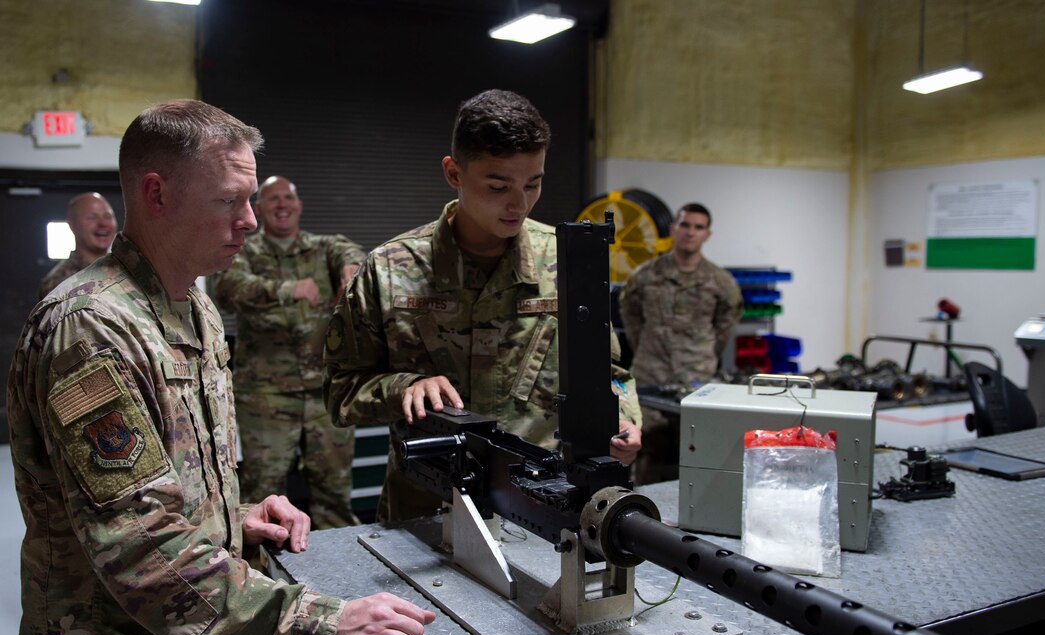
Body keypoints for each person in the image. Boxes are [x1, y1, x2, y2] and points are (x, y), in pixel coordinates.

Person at [7, 99, 434, 635]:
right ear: (157, 194)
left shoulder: (194, 309)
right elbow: (135, 542)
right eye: (229, 200)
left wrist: (228, 517)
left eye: (251, 199)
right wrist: (315, 627)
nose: (250, 220)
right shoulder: (91, 328)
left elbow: (153, 484)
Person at [324, 89, 642, 523]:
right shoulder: (390, 269)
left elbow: (611, 374)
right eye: (498, 186)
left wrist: (623, 419)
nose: (519, 203)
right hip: (425, 510)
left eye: (533, 183)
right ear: (454, 173)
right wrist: (402, 387)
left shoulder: (569, 263)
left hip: (542, 511)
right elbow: (340, 392)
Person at [215, 176, 364, 529]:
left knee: (334, 494)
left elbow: (350, 251)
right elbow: (228, 288)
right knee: (262, 494)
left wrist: (352, 268)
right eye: (272, 199)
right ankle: (263, 560)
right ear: (259, 208)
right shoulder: (244, 251)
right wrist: (287, 289)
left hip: (324, 396)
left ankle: (340, 561)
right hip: (266, 399)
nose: (282, 205)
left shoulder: (323, 247)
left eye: (288, 198)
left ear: (299, 205)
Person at [619, 203, 743, 485]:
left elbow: (726, 326)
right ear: (673, 229)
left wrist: (702, 355)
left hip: (696, 380)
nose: (690, 232)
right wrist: (649, 349)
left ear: (707, 235)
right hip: (650, 376)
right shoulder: (644, 276)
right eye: (685, 225)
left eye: (698, 227)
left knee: (697, 453)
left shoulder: (721, 282)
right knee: (645, 451)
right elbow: (631, 318)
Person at [39, 191, 117, 298]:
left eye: (108, 216)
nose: (103, 223)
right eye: (92, 217)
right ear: (72, 225)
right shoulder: (60, 283)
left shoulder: (122, 270)